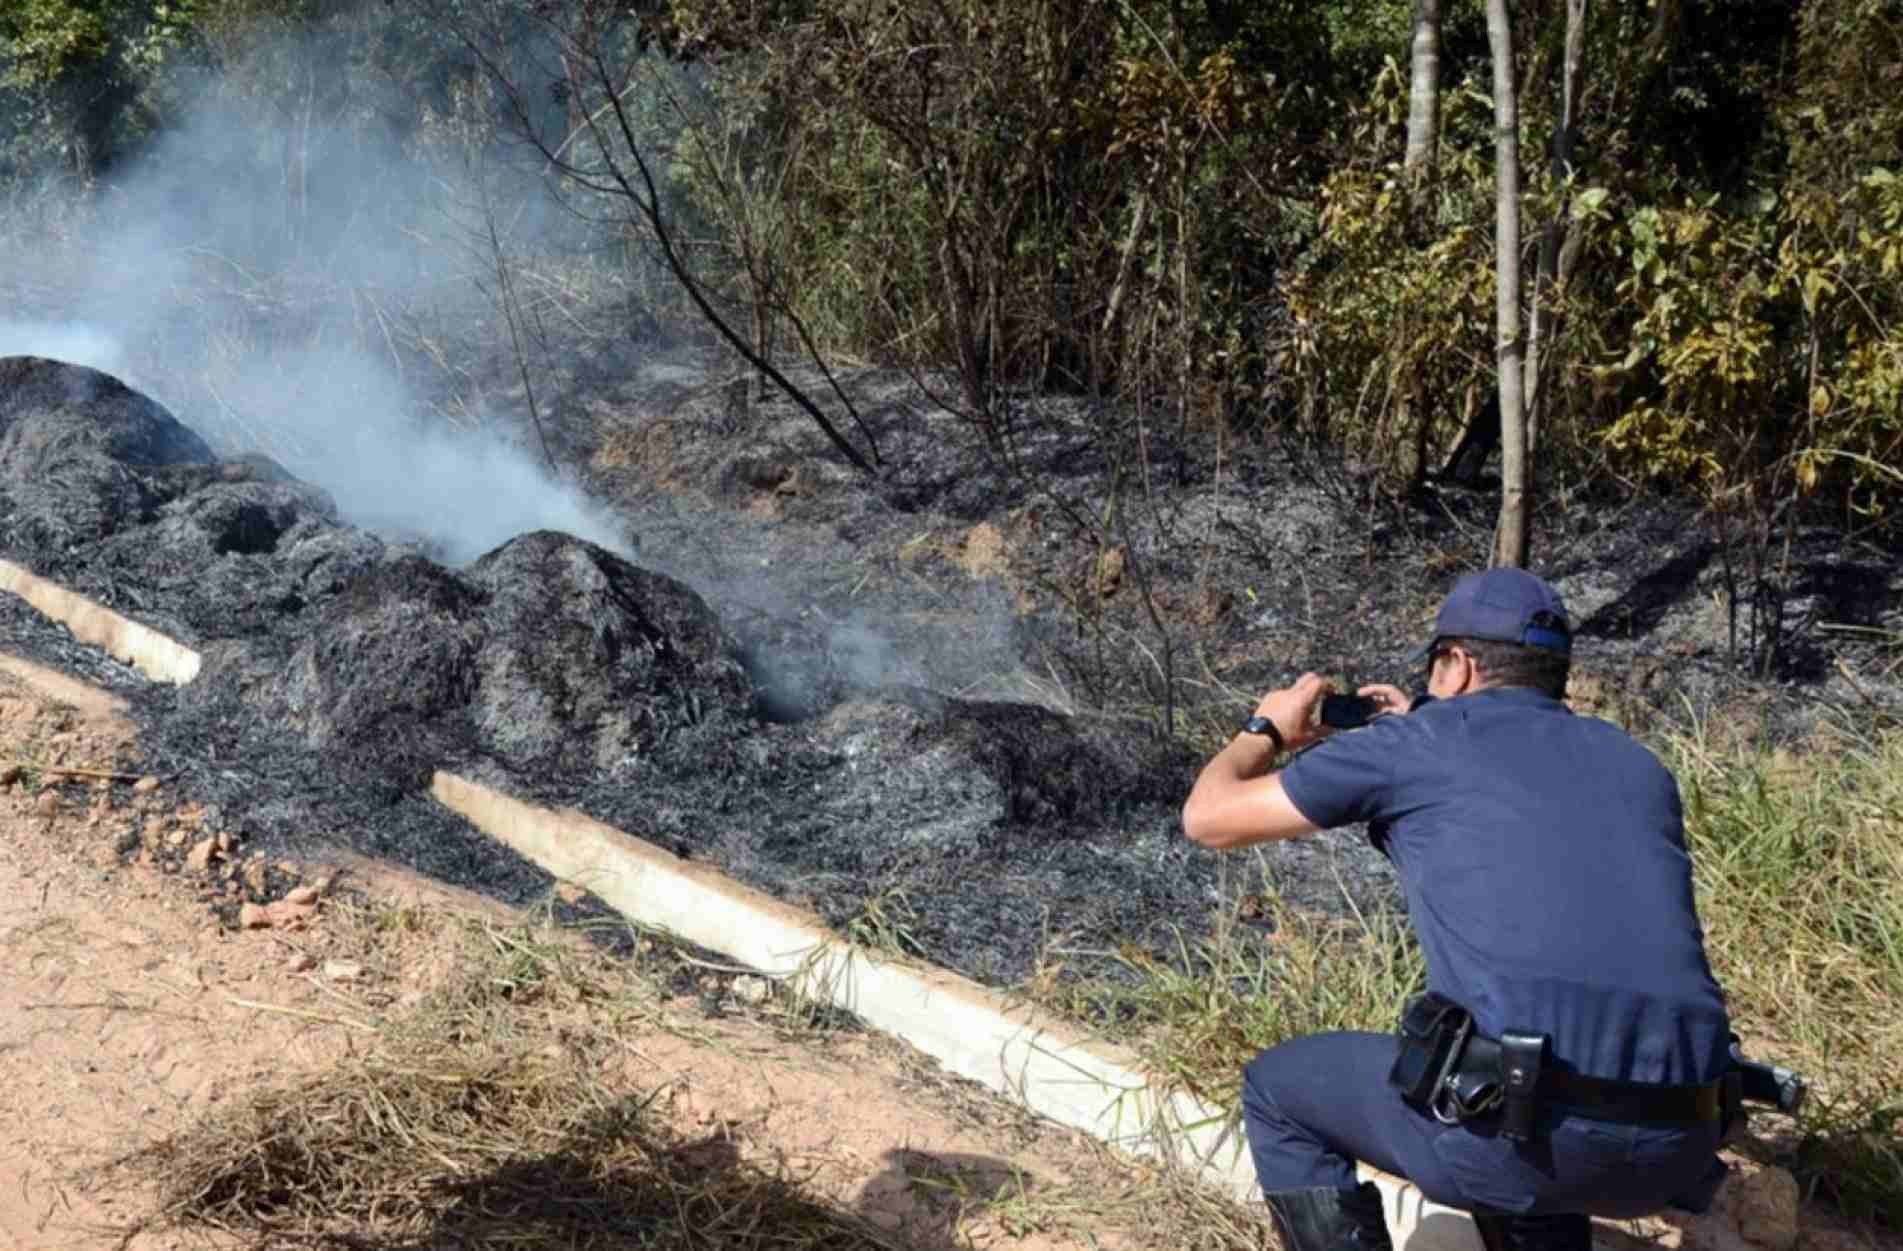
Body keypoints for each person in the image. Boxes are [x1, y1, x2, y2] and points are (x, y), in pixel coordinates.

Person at [1181, 568, 1731, 1251]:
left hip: (1517, 1141)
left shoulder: (1409, 748)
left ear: (1456, 664)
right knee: (1521, 1083)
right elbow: (1515, 819)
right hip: (1680, 1144)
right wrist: (1421, 724)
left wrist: (1264, 727)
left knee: (1279, 1089)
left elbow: (1209, 817)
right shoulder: (1638, 766)